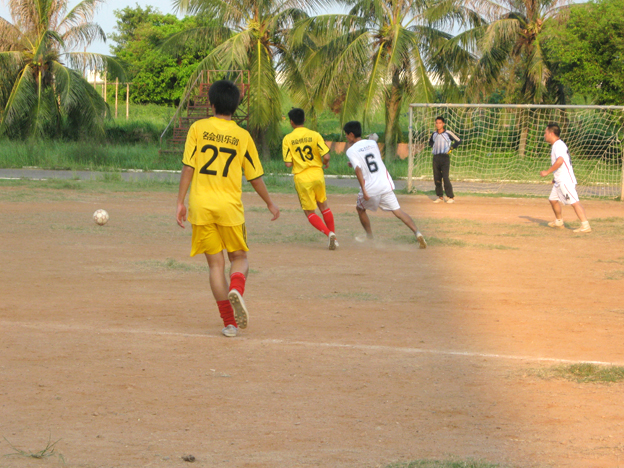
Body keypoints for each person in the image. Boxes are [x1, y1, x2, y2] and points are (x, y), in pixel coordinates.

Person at [176, 80, 280, 338]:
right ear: (235, 106)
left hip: (201, 206)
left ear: (211, 104)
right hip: (229, 208)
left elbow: (188, 167)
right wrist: (269, 202)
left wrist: (180, 202)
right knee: (240, 258)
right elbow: (255, 177)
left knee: (215, 266)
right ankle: (237, 288)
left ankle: (229, 323)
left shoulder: (198, 128)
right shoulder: (242, 136)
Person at [343, 120, 427, 248]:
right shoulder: (372, 143)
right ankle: (417, 233)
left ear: (351, 134)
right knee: (398, 212)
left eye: (346, 134)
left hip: (370, 187)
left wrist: (364, 190)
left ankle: (369, 237)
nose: (346, 137)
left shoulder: (351, 151)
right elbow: (369, 157)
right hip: (385, 184)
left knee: (360, 209)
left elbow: (358, 169)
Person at [282, 108, 338, 250]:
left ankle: (329, 233)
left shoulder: (288, 139)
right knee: (324, 206)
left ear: (291, 122)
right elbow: (326, 156)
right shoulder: (315, 135)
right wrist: (325, 163)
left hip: (302, 177)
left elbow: (288, 164)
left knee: (309, 212)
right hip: (317, 174)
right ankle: (335, 238)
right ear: (304, 120)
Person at [540, 123, 591, 233]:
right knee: (553, 200)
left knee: (574, 202)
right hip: (559, 180)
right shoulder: (556, 145)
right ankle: (559, 221)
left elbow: (560, 161)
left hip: (565, 180)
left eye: (545, 132)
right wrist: (555, 177)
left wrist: (547, 172)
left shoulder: (559, 145)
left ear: (551, 133)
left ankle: (585, 225)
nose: (544, 135)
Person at [429, 116, 460, 203]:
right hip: (436, 157)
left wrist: (451, 148)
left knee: (445, 177)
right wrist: (433, 146)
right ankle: (440, 196)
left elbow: (458, 140)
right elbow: (430, 142)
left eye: (440, 123)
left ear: (443, 124)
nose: (438, 125)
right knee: (437, 178)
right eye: (437, 123)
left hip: (444, 157)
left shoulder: (448, 133)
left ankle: (450, 197)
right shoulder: (434, 134)